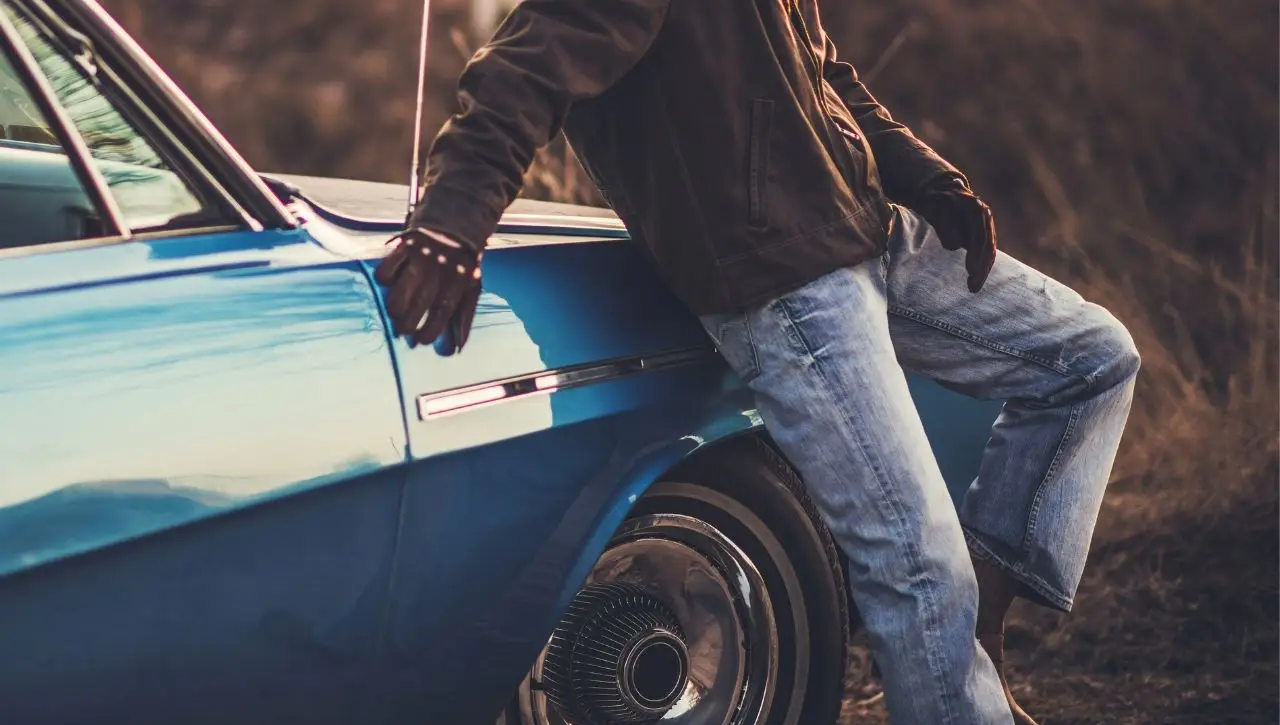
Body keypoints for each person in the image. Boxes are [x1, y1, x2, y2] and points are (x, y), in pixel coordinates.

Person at [373, 1, 1141, 723]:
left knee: (1091, 359)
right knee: (917, 566)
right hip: (785, 282)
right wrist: (450, 222)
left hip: (872, 231)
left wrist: (923, 174)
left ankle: (980, 614)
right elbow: (523, 69)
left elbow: (823, 76)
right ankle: (950, 657)